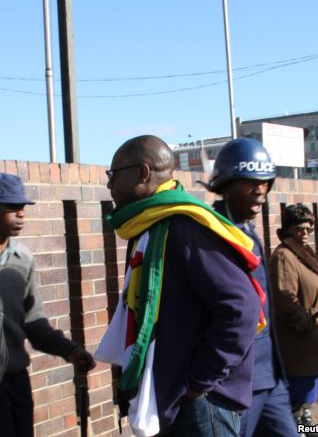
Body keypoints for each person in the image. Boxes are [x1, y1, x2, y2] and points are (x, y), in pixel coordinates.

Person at [95, 135, 265, 437]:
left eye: (113, 175)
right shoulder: (151, 225)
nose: (110, 185)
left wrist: (198, 383)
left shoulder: (185, 227)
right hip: (175, 398)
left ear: (142, 174)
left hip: (203, 406)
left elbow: (242, 308)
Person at [0, 173, 96, 437]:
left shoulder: (23, 258)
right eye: (12, 206)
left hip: (16, 381)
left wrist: (69, 350)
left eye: (23, 207)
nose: (21, 214)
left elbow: (33, 321)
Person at [204, 137, 298, 437]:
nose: (261, 190)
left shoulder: (250, 232)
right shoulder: (212, 234)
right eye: (250, 181)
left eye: (265, 182)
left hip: (273, 380)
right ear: (226, 184)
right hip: (236, 388)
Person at [269, 204, 318, 428]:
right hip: (299, 341)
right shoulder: (285, 255)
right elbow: (285, 298)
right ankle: (299, 430)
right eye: (299, 227)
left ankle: (306, 428)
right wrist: (306, 325)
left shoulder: (301, 251)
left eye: (309, 227)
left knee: (306, 398)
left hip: (310, 341)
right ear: (287, 229)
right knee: (297, 398)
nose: (305, 232)